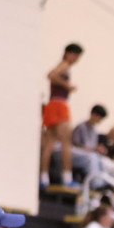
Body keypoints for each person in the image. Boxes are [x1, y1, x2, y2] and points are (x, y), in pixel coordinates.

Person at [39, 41, 83, 188]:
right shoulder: (64, 65)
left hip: (52, 104)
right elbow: (50, 75)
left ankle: (43, 178)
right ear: (70, 54)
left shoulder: (62, 65)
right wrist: (67, 86)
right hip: (59, 104)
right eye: (76, 56)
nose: (76, 60)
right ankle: (67, 177)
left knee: (49, 144)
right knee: (66, 142)